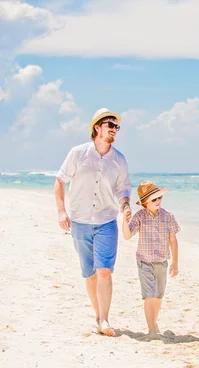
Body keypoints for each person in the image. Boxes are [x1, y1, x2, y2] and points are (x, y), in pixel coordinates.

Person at [54, 108, 131, 337]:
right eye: (110, 125)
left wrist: (125, 204)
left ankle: (105, 320)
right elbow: (59, 182)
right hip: (79, 221)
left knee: (105, 271)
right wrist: (61, 212)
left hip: (107, 221)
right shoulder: (78, 154)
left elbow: (123, 188)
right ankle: (98, 316)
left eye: (117, 127)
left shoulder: (119, 159)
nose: (114, 130)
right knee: (90, 273)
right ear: (97, 127)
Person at [122, 180, 180, 335]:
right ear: (144, 202)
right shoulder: (140, 216)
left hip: (162, 262)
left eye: (159, 198)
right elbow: (127, 236)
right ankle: (152, 329)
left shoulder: (168, 216)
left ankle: (154, 323)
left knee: (159, 296)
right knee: (150, 295)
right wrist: (124, 221)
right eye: (153, 199)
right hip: (144, 261)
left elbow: (173, 240)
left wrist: (175, 262)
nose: (158, 201)